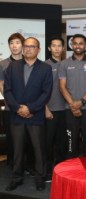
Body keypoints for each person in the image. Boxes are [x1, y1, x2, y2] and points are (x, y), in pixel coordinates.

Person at [4, 37, 53, 191]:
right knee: (17, 150)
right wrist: (18, 108)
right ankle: (16, 178)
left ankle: (40, 177)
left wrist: (30, 109)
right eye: (26, 46)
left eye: (32, 46)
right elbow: (7, 90)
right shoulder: (12, 67)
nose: (28, 49)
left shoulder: (45, 68)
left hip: (36, 116)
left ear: (38, 49)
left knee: (39, 149)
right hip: (16, 116)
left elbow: (46, 93)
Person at [59, 34, 86, 158]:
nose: (78, 46)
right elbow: (62, 86)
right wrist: (73, 105)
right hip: (70, 108)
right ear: (71, 45)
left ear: (85, 45)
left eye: (81, 43)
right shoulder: (64, 63)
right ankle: (72, 169)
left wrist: (81, 102)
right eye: (75, 43)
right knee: (71, 141)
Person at [0, 33, 25, 168]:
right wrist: (15, 105)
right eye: (11, 43)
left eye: (17, 42)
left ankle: (27, 165)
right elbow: (2, 86)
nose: (14, 46)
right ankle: (12, 166)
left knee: (27, 139)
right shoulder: (3, 64)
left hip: (28, 108)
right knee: (12, 139)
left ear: (22, 45)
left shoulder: (29, 61)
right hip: (11, 108)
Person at [44, 36, 66, 181]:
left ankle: (61, 172)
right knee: (47, 143)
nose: (57, 48)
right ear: (49, 48)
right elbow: (39, 90)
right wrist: (45, 108)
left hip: (65, 110)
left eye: (59, 46)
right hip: (50, 111)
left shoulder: (67, 64)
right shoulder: (44, 66)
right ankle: (47, 172)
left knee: (62, 144)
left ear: (63, 48)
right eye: (54, 46)